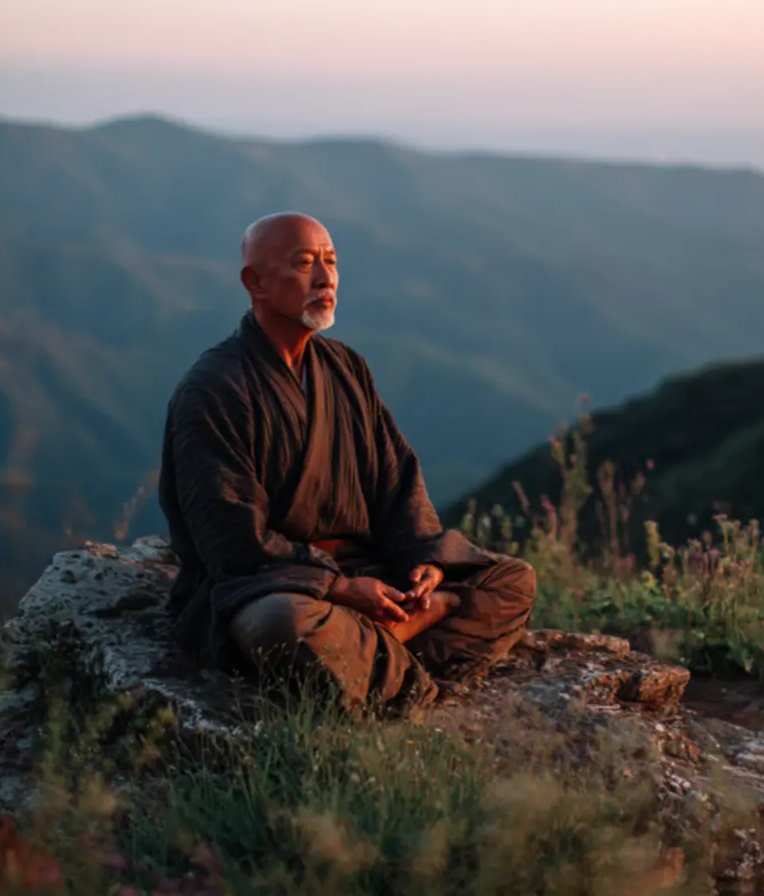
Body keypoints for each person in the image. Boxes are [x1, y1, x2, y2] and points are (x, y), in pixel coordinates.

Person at [157, 211, 536, 713]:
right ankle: (410, 649)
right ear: (256, 283)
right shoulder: (215, 389)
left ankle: (374, 654)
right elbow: (231, 541)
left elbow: (397, 482)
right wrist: (337, 587)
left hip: (366, 570)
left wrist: (424, 563)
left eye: (331, 262)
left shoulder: (346, 368)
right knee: (282, 628)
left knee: (512, 579)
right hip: (274, 584)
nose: (325, 278)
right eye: (304, 264)